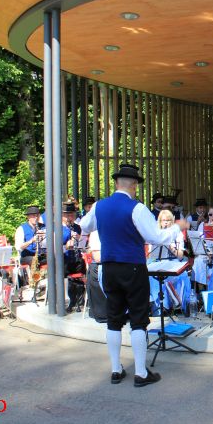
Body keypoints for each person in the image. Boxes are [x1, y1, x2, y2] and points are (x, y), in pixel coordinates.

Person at [79, 163, 187, 387]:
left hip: (108, 267)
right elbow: (156, 236)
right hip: (133, 267)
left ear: (116, 183)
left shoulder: (99, 206)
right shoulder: (137, 208)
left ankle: (116, 370)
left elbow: (85, 227)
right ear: (134, 185)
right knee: (138, 319)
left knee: (114, 318)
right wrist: (177, 227)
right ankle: (140, 373)